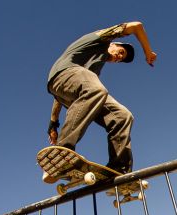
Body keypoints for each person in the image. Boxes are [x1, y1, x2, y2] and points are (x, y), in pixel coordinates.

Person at [44, 22, 157, 182]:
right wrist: (148, 52)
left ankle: (119, 170)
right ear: (114, 44)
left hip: (69, 89)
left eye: (121, 59)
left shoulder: (92, 71)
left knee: (122, 116)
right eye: (121, 52)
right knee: (97, 89)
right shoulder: (101, 38)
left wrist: (53, 123)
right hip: (63, 73)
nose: (119, 57)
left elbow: (59, 97)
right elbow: (136, 26)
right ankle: (61, 153)